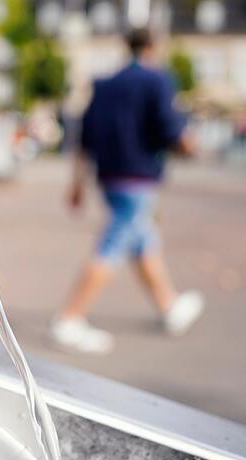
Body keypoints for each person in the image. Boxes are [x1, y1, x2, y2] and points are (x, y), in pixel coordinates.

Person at [49, 28, 204, 354]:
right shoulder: (158, 80)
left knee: (143, 240)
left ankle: (168, 306)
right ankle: (70, 318)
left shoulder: (103, 85)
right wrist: (190, 146)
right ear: (153, 47)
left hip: (109, 178)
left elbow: (84, 139)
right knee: (114, 243)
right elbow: (171, 128)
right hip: (139, 178)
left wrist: (76, 183)